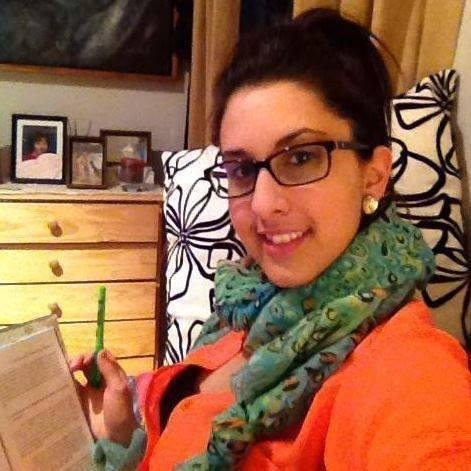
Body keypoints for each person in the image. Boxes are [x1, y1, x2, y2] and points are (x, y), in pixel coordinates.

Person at [72, 8, 471, 470]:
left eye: (300, 157)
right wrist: (122, 433)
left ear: (374, 176)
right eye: (242, 168)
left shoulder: (407, 369)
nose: (262, 205)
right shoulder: (247, 305)